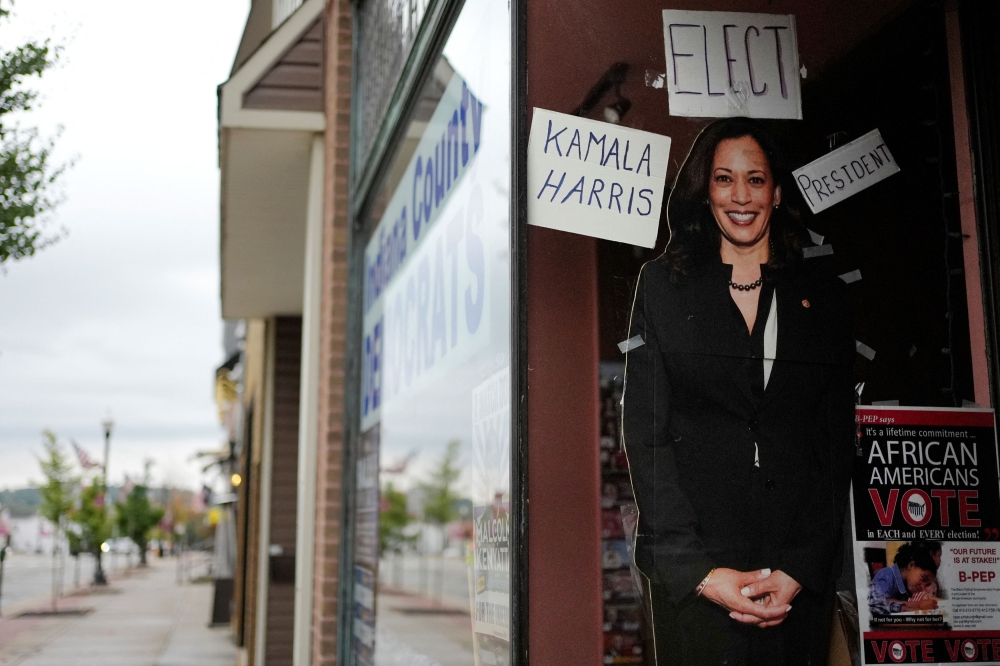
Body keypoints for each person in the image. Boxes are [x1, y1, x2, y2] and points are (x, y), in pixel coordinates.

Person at [622, 117, 856, 665]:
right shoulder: (661, 288)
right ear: (705, 192)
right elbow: (646, 437)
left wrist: (799, 567)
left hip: (795, 580)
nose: (741, 195)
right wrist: (699, 573)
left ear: (777, 192)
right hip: (699, 578)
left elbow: (834, 443)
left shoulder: (825, 297)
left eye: (756, 179)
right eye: (725, 179)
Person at [868, 543, 939, 615]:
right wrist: (915, 604)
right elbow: (874, 602)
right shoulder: (887, 575)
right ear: (911, 565)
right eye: (923, 578)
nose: (923, 587)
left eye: (927, 585)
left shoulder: (905, 586)